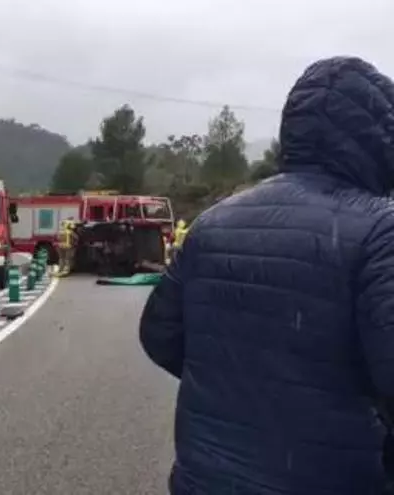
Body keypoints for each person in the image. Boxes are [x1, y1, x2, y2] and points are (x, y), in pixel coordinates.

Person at [139, 56, 394, 494]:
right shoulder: (380, 229)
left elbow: (160, 335)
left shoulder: (211, 223)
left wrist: (241, 383)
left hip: (204, 481)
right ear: (378, 138)